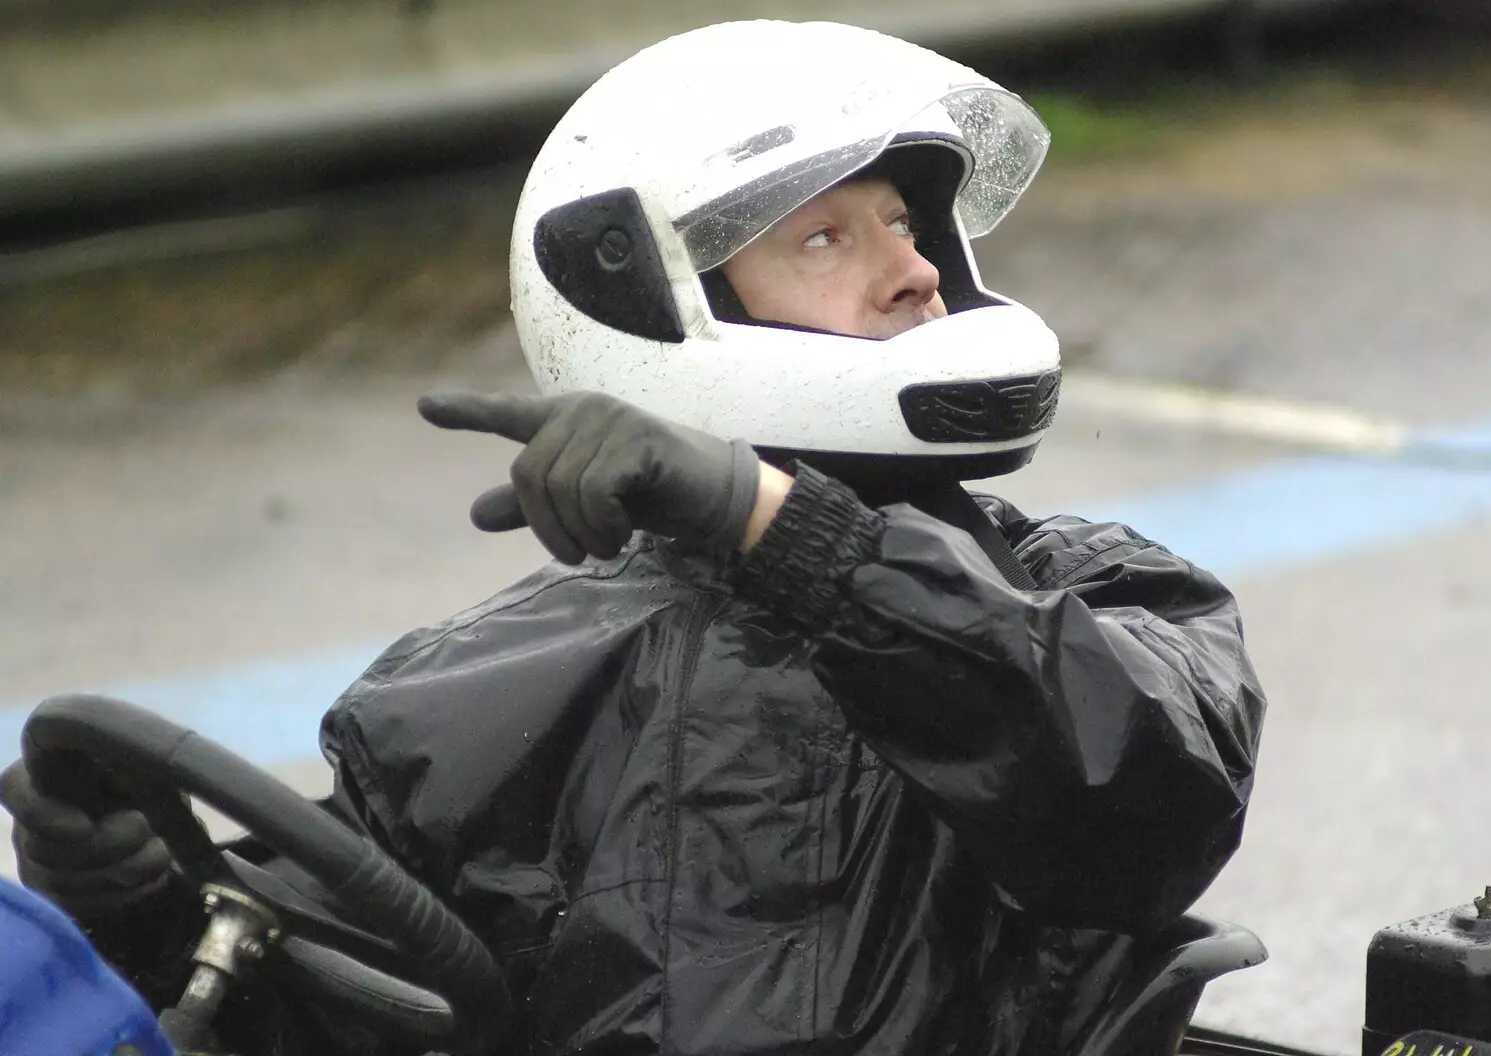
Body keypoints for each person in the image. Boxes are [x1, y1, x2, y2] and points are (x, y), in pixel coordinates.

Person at [1, 20, 1267, 1056]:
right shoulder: (461, 699)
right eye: (829, 237)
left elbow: (1138, 814)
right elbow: (314, 1019)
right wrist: (141, 911)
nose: (917, 272)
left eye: (908, 224)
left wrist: (786, 534)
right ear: (666, 309)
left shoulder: (1092, 593)